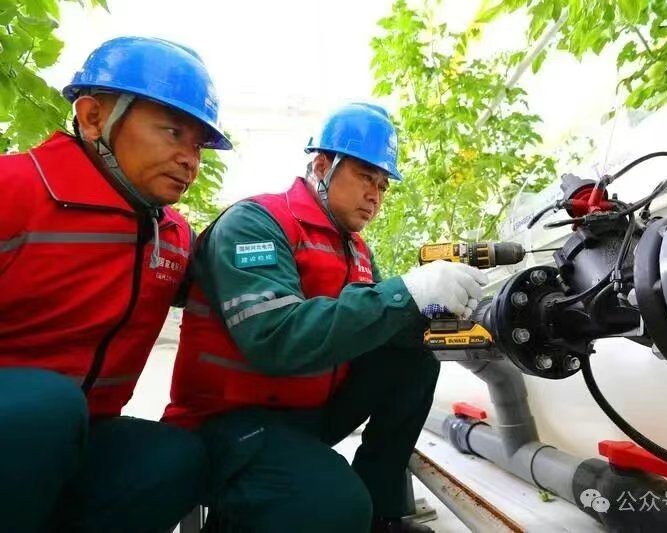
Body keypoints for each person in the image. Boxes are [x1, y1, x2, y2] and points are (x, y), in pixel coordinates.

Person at [164, 102, 488, 532]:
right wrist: (408, 292)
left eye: (383, 184)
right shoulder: (257, 223)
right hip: (227, 422)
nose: (375, 195)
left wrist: (435, 310)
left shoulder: (355, 249)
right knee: (333, 505)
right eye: (364, 177)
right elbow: (275, 339)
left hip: (305, 412)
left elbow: (377, 320)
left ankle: (382, 513)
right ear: (322, 166)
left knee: (412, 357)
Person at [0, 36, 231, 532]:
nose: (190, 159)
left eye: (197, 145)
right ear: (92, 117)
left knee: (174, 457)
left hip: (79, 435)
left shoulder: (171, 236)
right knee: (47, 405)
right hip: (23, 425)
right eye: (172, 132)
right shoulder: (13, 190)